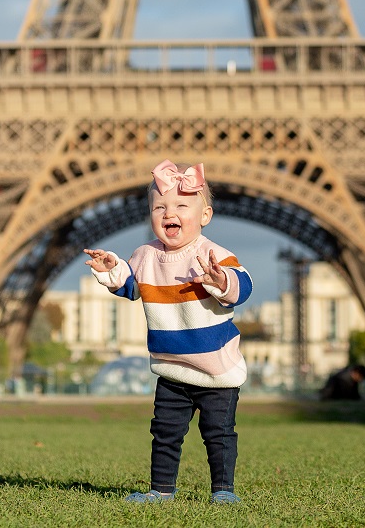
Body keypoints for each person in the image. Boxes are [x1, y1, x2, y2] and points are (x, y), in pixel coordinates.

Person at [85, 159, 252, 505]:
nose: (168, 212)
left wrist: (221, 280)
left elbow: (242, 284)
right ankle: (161, 491)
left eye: (180, 205)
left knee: (219, 434)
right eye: (159, 206)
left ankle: (223, 490)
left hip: (216, 370)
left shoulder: (213, 254)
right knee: (164, 432)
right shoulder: (145, 255)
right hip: (171, 367)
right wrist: (112, 268)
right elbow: (130, 286)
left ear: (205, 215)